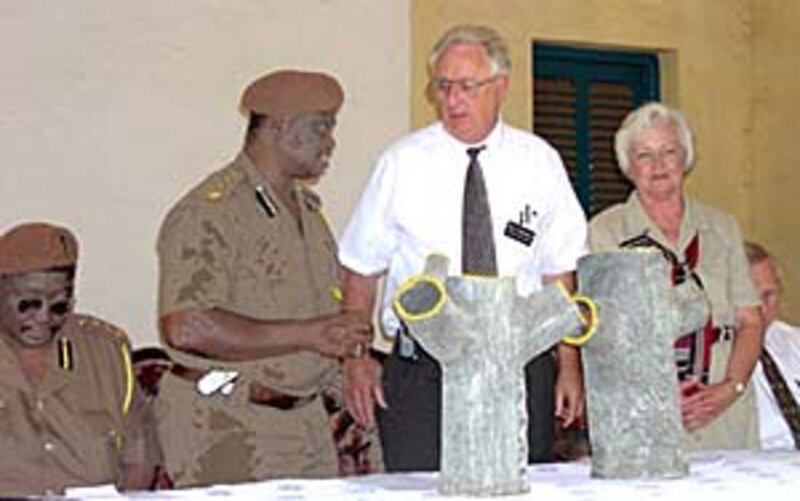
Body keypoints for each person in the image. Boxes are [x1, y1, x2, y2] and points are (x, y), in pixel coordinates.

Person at [338, 24, 588, 471]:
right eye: (444, 86)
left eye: (468, 87)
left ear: (501, 87)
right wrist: (355, 359)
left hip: (520, 361)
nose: (453, 101)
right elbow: (360, 268)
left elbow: (559, 273)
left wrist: (568, 363)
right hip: (425, 369)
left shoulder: (539, 162)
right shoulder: (401, 164)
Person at [155, 69, 375, 487]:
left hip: (305, 423)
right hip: (229, 426)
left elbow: (322, 317)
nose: (331, 142)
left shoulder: (307, 212)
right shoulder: (212, 211)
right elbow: (185, 326)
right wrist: (308, 334)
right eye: (321, 128)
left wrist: (351, 359)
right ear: (282, 126)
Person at [590, 102, 764, 450]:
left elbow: (750, 320)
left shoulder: (722, 227)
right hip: (646, 416)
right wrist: (664, 398)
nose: (658, 165)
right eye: (644, 155)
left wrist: (732, 388)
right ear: (628, 166)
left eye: (669, 151)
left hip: (725, 411)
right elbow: (608, 337)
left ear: (685, 158)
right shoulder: (605, 231)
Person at [0, 222, 159, 496]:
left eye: (59, 305)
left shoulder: (106, 350)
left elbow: (139, 461)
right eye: (29, 303)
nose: (44, 317)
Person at [746, 241, 800, 450]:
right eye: (751, 298)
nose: (761, 309)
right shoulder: (710, 359)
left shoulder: (794, 341)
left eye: (769, 295)